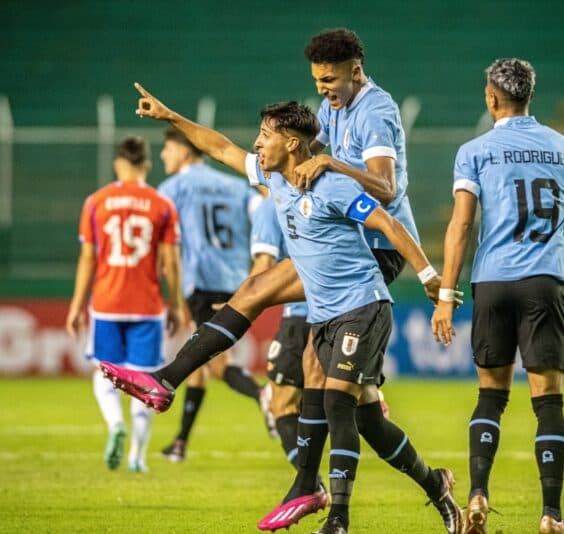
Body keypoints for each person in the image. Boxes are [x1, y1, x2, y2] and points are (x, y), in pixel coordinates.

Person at [102, 97, 463, 534]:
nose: (256, 144)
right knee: (367, 418)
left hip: (363, 307)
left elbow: (388, 224)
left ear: (291, 143)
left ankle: (338, 520)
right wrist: (171, 117)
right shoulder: (276, 178)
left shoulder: (331, 186)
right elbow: (219, 148)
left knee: (336, 403)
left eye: (265, 136)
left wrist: (430, 277)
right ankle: (435, 484)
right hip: (325, 314)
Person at [431, 58, 564, 534]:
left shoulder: (475, 151)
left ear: (491, 98)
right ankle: (551, 514)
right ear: (530, 96)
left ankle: (478, 495)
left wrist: (446, 294)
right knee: (548, 401)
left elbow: (462, 223)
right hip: (545, 280)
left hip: (492, 281)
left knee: (490, 395)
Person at [65, 136, 184, 473]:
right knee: (144, 379)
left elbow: (88, 258)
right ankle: (137, 456)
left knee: (105, 371)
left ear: (118, 164)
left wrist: (76, 306)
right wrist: (176, 304)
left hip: (106, 302)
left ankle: (115, 423)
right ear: (147, 165)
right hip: (147, 305)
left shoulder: (96, 202)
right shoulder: (162, 205)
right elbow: (171, 263)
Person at [157, 127, 268, 463]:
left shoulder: (172, 189)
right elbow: (264, 208)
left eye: (168, 149)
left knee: (216, 363)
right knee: (199, 363)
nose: (164, 156)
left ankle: (264, 396)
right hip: (237, 281)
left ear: (183, 150)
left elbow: (165, 241)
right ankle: (180, 443)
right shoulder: (234, 185)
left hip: (202, 283)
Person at [249, 195, 311, 471]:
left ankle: (309, 483)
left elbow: (263, 265)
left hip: (301, 315)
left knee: (282, 403)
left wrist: (239, 304)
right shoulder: (327, 190)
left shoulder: (271, 204)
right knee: (335, 399)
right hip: (349, 309)